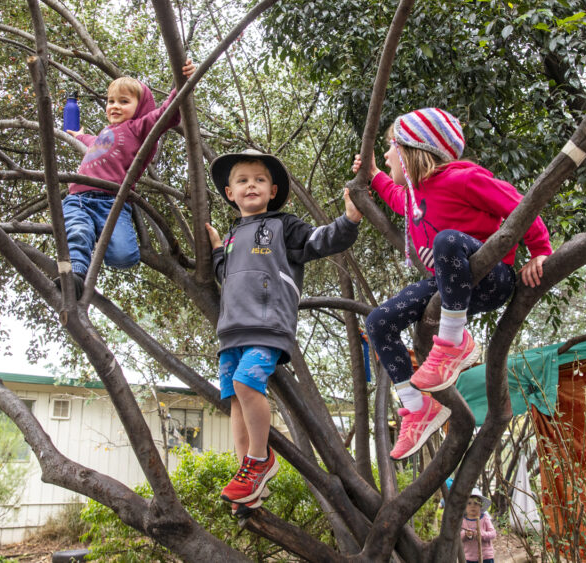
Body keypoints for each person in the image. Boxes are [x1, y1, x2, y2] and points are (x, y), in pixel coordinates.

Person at [352, 108, 552, 460]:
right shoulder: (416, 196)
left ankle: (453, 343)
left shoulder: (462, 179)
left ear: (412, 151)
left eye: (390, 148)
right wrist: (373, 176)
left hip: (492, 278)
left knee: (446, 241)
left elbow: (519, 206)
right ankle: (417, 408)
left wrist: (539, 250)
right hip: (450, 289)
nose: (385, 155)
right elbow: (399, 201)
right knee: (379, 322)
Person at [206, 149, 361, 513]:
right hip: (231, 332)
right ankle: (248, 482)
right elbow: (223, 275)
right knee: (235, 402)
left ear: (272, 190)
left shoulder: (283, 226)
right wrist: (215, 248)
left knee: (247, 383)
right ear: (230, 193)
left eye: (259, 180)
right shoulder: (230, 237)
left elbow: (320, 240)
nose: (251, 186)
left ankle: (260, 461)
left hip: (267, 325)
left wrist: (350, 219)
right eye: (242, 180)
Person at [59, 59, 195, 297]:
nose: (115, 106)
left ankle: (98, 233)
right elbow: (92, 143)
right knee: (78, 232)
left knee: (124, 256)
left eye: (124, 101)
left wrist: (183, 83)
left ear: (140, 107)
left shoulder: (138, 128)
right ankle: (75, 276)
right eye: (111, 101)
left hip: (111, 203)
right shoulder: (104, 133)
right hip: (78, 198)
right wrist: (79, 136)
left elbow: (167, 113)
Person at [461, 487, 496, 563]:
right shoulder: (463, 521)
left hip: (486, 556)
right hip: (469, 557)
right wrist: (465, 534)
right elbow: (458, 537)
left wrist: (482, 534)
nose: (472, 506)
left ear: (481, 506)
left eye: (476, 503)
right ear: (465, 506)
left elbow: (493, 534)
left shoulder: (484, 518)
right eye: (469, 503)